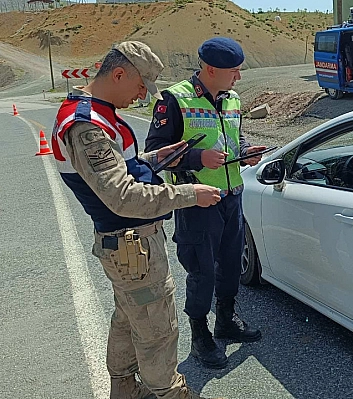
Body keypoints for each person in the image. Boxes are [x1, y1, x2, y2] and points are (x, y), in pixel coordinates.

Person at [51, 41, 224, 399]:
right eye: (140, 86)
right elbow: (122, 196)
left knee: (130, 317)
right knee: (158, 328)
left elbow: (117, 168)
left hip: (128, 244)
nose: (143, 96)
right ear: (118, 74)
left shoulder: (96, 112)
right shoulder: (87, 126)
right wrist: (190, 196)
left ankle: (126, 388)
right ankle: (169, 392)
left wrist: (154, 158)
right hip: (132, 243)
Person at [145, 37, 264, 370]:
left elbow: (233, 140)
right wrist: (198, 157)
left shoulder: (233, 99)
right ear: (210, 69)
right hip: (196, 201)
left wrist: (246, 152)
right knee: (202, 273)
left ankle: (225, 320)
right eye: (233, 71)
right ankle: (200, 338)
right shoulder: (174, 99)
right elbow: (156, 156)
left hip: (231, 197)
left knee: (230, 267)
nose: (238, 77)